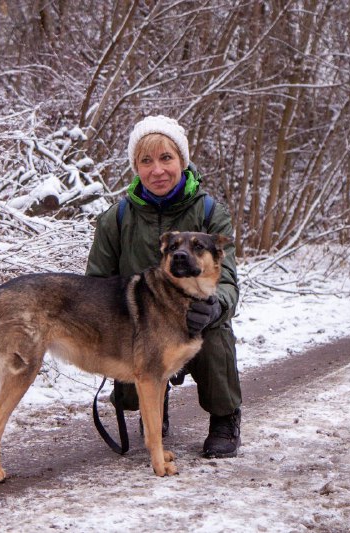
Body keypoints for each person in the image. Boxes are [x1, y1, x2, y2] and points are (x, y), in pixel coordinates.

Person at [85, 115, 242, 458]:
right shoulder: (118, 217)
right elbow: (95, 284)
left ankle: (224, 418)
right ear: (136, 168)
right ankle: (155, 407)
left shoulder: (209, 210)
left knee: (214, 335)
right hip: (142, 325)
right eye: (146, 161)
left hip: (196, 318)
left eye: (166, 158)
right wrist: (108, 327)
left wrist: (217, 306)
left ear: (182, 162)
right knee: (133, 356)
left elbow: (227, 278)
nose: (157, 170)